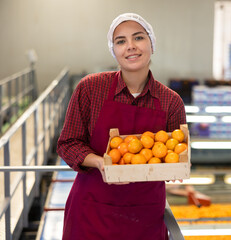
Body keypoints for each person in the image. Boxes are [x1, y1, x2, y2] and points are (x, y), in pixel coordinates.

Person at [57, 13, 186, 240]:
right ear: (114, 50)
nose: (130, 47)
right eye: (121, 41)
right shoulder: (90, 89)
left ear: (151, 44)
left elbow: (174, 152)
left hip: (144, 217)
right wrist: (100, 162)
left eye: (138, 38)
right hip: (91, 213)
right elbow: (68, 143)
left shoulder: (171, 101)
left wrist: (174, 169)